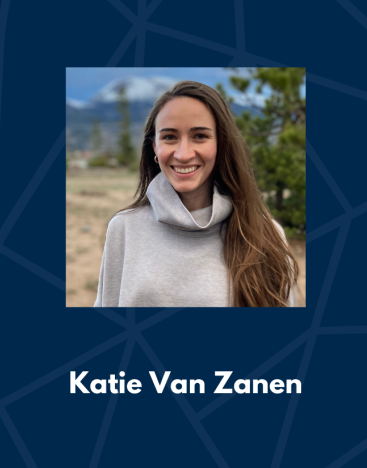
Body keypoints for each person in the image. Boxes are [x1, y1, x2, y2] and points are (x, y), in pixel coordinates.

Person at [95, 81, 299, 307]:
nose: (183, 154)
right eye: (169, 137)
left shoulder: (265, 234)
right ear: (154, 148)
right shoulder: (124, 228)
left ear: (222, 144)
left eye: (200, 136)